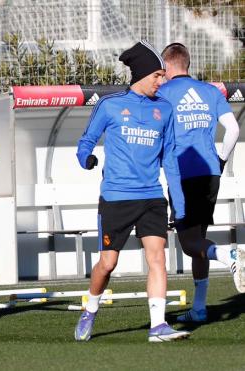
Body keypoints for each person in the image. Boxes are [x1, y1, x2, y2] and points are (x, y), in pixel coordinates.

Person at [74, 41, 190, 342]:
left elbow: (170, 159)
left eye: (163, 75)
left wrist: (178, 203)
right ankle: (91, 308)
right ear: (141, 74)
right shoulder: (110, 105)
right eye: (157, 76)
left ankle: (157, 326)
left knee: (157, 259)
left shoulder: (164, 109)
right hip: (116, 198)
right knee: (107, 264)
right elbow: (86, 141)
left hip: (151, 197)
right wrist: (86, 159)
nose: (161, 81)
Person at [157, 43, 243, 323]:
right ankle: (200, 308)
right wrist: (220, 160)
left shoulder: (163, 93)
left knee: (189, 242)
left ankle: (227, 253)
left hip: (182, 174)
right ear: (187, 63)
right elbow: (233, 128)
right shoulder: (209, 91)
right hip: (210, 173)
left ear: (168, 65)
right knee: (199, 239)